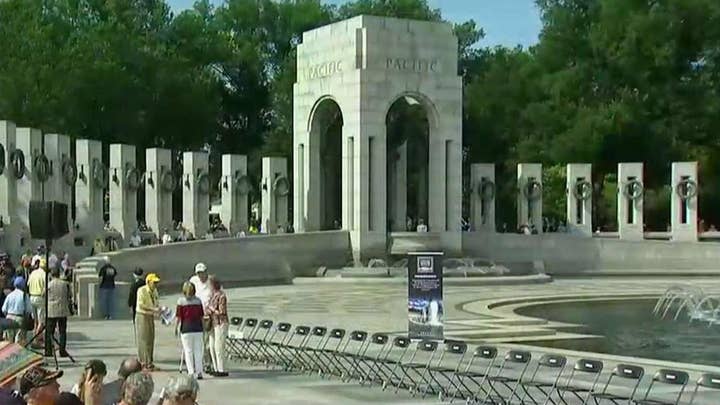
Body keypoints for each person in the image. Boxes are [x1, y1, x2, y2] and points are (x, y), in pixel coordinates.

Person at [175, 282, 205, 379]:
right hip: (197, 328)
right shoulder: (198, 301)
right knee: (198, 351)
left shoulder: (181, 301)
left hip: (186, 328)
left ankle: (191, 372)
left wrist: (176, 327)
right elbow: (201, 316)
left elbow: (179, 317)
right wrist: (203, 327)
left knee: (188, 351)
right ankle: (199, 371)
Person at [135, 273, 162, 370]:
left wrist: (159, 310)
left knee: (150, 339)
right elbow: (141, 305)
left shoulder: (154, 291)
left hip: (150, 316)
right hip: (142, 315)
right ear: (148, 282)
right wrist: (153, 309)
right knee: (143, 340)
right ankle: (143, 363)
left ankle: (149, 362)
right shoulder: (141, 290)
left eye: (156, 282)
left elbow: (156, 302)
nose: (155, 284)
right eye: (154, 282)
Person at [188, 263, 211, 370]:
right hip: (196, 314)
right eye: (199, 273)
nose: (201, 276)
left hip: (207, 315)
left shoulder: (211, 282)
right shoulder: (193, 280)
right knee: (198, 341)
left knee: (207, 341)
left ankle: (208, 363)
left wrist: (209, 310)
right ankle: (199, 362)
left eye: (202, 273)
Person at [46, 268, 72, 357]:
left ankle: (48, 351)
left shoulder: (49, 284)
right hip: (62, 309)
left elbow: (43, 294)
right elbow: (69, 295)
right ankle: (62, 350)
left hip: (51, 310)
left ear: (51, 275)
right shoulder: (65, 284)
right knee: (62, 332)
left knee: (49, 332)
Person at [206, 276, 228, 377]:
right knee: (212, 346)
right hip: (212, 323)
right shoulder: (212, 295)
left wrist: (212, 309)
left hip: (220, 323)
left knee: (219, 347)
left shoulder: (221, 296)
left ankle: (221, 369)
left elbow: (222, 312)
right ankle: (215, 367)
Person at [2, 277, 32, 342]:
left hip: (9, 317)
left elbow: (4, 309)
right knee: (18, 341)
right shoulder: (24, 295)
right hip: (19, 318)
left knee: (8, 341)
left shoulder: (9, 295)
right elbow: (28, 310)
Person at [27, 261, 46, 339]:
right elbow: (46, 287)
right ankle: (36, 338)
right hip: (40, 298)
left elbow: (28, 284)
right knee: (41, 321)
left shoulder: (33, 273)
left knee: (35, 320)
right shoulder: (44, 274)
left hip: (32, 297)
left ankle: (37, 336)